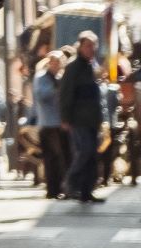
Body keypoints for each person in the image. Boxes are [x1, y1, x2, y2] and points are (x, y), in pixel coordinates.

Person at [59, 32, 107, 204]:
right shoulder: (73, 67)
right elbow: (65, 94)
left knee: (92, 156)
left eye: (93, 46)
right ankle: (70, 183)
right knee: (84, 152)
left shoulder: (90, 67)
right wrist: (65, 118)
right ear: (80, 47)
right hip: (78, 119)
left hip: (92, 119)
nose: (91, 49)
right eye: (88, 45)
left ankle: (87, 191)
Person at [33, 52, 69, 199]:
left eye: (60, 63)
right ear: (50, 63)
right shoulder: (41, 77)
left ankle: (59, 187)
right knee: (52, 157)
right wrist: (58, 91)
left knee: (60, 157)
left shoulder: (59, 78)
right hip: (48, 123)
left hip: (59, 123)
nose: (57, 65)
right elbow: (41, 95)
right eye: (55, 62)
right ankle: (52, 189)